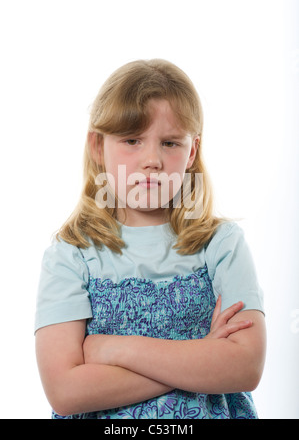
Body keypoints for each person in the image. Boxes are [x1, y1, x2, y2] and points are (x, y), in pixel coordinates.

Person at [35, 59, 266, 419]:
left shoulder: (221, 245)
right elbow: (65, 391)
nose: (152, 160)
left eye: (170, 142)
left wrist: (114, 349)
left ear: (192, 152)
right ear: (98, 146)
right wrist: (201, 356)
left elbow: (246, 368)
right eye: (132, 140)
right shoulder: (72, 255)